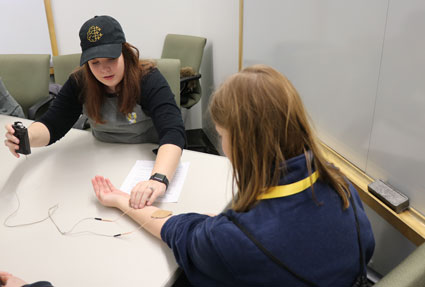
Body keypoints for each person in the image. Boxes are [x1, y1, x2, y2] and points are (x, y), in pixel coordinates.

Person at [89, 64, 375, 286]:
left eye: (222, 135)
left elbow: (178, 232)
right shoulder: (339, 183)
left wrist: (120, 200)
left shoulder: (236, 240)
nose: (222, 145)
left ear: (242, 143)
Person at [3, 15, 185, 208]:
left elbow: (173, 132)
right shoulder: (79, 82)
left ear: (125, 52)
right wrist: (26, 137)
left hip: (146, 156)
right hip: (100, 157)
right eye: (94, 62)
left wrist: (158, 179)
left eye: (111, 59)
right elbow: (52, 124)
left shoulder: (148, 80)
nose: (104, 69)